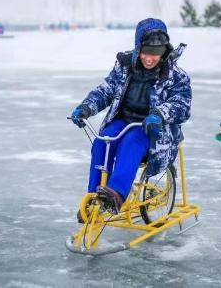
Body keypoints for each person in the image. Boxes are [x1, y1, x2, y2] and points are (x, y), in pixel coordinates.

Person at [70, 18, 191, 216]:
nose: (150, 59)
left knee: (132, 141)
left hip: (153, 129)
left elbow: (182, 105)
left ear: (165, 51)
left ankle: (116, 194)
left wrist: (160, 114)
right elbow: (106, 90)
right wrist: (86, 107)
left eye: (157, 54)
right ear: (137, 48)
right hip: (123, 120)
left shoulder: (176, 76)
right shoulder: (125, 66)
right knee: (102, 142)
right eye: (146, 53)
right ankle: (93, 197)